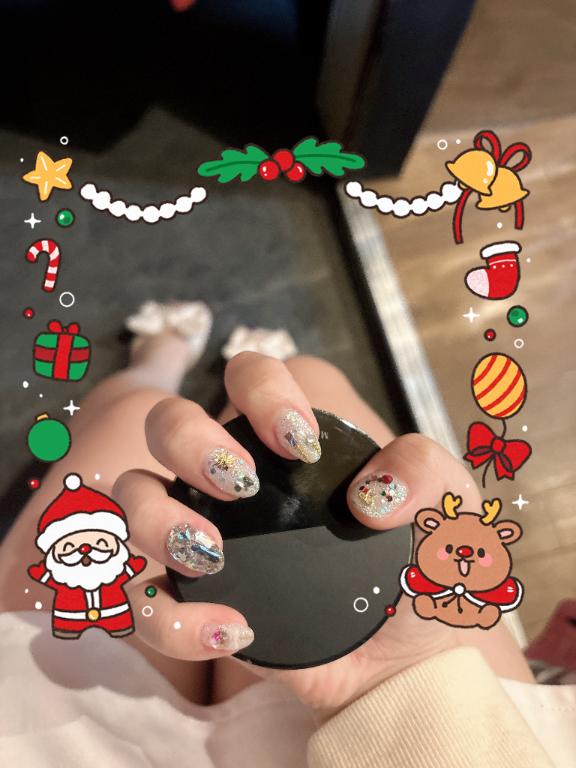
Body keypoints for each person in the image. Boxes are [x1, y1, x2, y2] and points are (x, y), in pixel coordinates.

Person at [0, 302, 573, 767]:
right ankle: (237, 376)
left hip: (56, 739)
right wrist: (390, 682)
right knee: (305, 390)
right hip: (450, 730)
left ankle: (156, 365)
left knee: (135, 415)